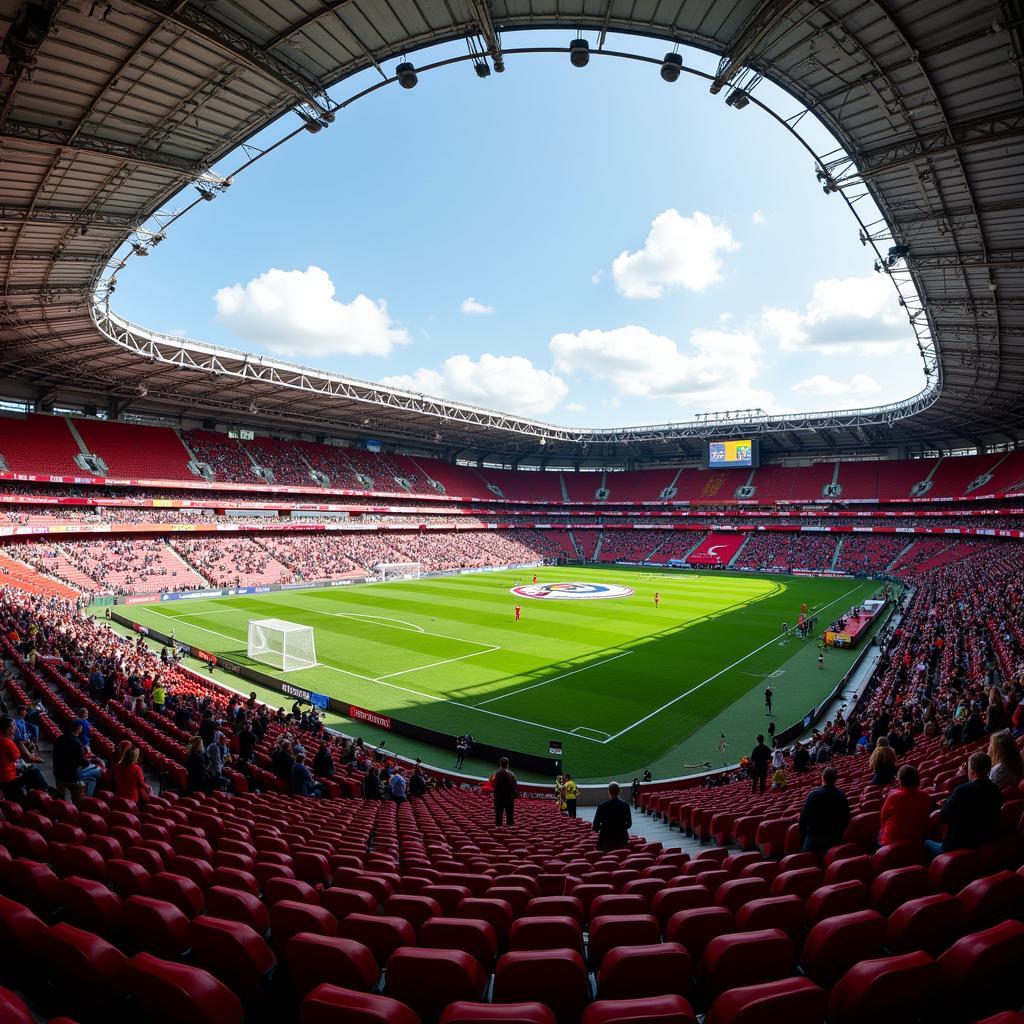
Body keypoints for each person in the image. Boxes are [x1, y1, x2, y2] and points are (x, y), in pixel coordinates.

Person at [926, 751, 1002, 858]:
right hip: (981, 840)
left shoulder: (962, 791)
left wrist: (948, 804)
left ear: (971, 771)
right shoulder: (995, 788)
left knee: (924, 842)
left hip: (955, 846)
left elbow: (944, 816)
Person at [798, 767, 852, 858]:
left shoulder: (813, 795)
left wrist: (803, 836)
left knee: (806, 858)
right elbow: (847, 817)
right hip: (835, 836)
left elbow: (803, 819)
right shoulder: (841, 794)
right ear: (836, 779)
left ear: (822, 777)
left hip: (815, 837)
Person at [879, 765, 932, 846]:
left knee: (880, 833)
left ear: (900, 780)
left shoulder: (893, 797)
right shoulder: (926, 796)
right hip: (915, 841)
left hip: (890, 844)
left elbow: (883, 818)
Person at [53, 721, 91, 802]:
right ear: (79, 729)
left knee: (60, 799)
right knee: (78, 800)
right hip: (72, 777)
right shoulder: (78, 743)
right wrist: (88, 761)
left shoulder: (59, 739)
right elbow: (82, 761)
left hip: (58, 774)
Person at [593, 781, 632, 851]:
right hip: (622, 840)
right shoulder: (626, 805)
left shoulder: (602, 806)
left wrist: (605, 827)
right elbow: (629, 824)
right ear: (619, 792)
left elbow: (595, 826)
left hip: (605, 841)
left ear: (609, 792)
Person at [492, 757, 518, 827]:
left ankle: (498, 833)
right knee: (510, 819)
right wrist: (513, 795)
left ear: (500, 764)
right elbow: (515, 788)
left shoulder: (495, 774)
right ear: (507, 765)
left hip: (498, 798)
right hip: (509, 798)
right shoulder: (512, 775)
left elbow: (492, 785)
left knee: (498, 818)